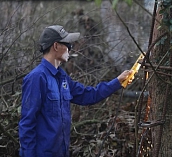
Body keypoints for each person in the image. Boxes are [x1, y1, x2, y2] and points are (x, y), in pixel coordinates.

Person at [18, 25, 133, 157]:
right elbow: (27, 123)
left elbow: (89, 95)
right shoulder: (37, 78)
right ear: (55, 46)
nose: (70, 48)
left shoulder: (62, 77)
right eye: (67, 44)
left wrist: (117, 82)